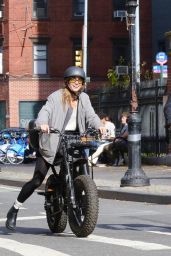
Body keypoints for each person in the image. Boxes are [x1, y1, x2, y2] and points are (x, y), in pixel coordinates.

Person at [5, 66, 105, 231]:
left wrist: (99, 125)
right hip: (54, 140)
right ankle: (14, 209)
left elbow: (91, 115)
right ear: (67, 82)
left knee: (80, 165)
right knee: (37, 179)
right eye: (73, 80)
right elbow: (44, 112)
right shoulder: (55, 97)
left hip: (74, 139)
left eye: (79, 80)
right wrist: (43, 124)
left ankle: (76, 194)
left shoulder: (84, 98)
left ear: (82, 84)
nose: (76, 82)